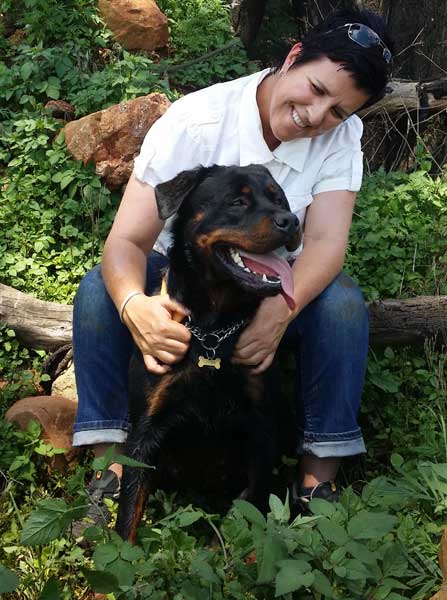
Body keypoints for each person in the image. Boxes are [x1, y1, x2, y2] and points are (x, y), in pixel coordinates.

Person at [71, 8, 394, 527]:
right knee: (96, 291)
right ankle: (109, 466)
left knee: (341, 304)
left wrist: (282, 311)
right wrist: (135, 307)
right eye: (315, 89)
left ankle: (318, 477)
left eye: (338, 110)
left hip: (269, 281)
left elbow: (326, 243)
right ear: (293, 56)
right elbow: (127, 241)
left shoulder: (341, 138)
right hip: (185, 282)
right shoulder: (196, 120)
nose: (316, 115)